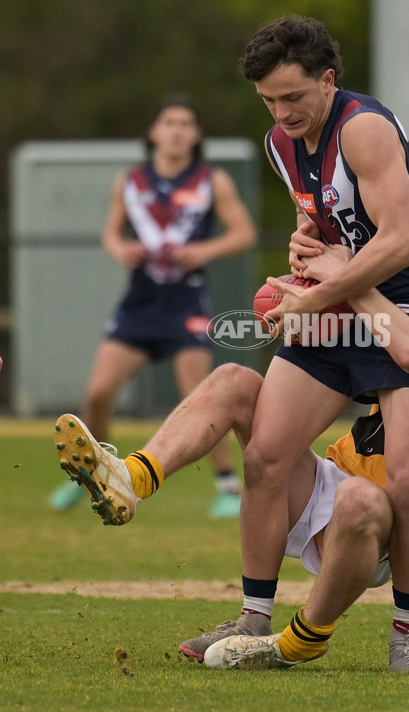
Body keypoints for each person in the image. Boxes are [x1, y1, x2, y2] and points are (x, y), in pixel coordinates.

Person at [53, 211, 409, 670]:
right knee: (233, 381)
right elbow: (362, 339)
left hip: (386, 521)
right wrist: (304, 296)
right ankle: (133, 478)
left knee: (357, 498)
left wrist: (350, 278)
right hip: (326, 482)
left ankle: (305, 639)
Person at [231, 14, 409, 670]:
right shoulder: (281, 141)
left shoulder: (363, 127)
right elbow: (321, 221)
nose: (282, 112)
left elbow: (401, 242)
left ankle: (406, 632)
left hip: (407, 300)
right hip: (334, 299)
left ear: (328, 81)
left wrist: (317, 294)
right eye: (269, 100)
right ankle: (252, 617)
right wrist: (302, 255)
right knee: (266, 456)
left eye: (294, 97)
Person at [49, 93, 257, 519]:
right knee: (97, 393)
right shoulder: (130, 182)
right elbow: (110, 234)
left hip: (186, 301)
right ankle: (94, 474)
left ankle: (227, 487)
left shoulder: (211, 181)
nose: (177, 130)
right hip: (140, 303)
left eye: (185, 123)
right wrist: (120, 250)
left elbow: (243, 233)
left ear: (196, 134)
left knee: (200, 397)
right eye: (169, 122)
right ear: (154, 132)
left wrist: (204, 250)